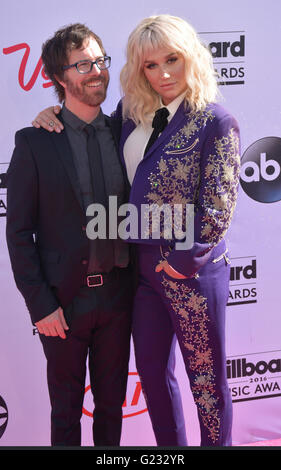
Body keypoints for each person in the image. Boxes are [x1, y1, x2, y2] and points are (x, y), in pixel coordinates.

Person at [32, 15, 240, 447]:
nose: (163, 73)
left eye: (172, 59)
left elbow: (217, 211)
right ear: (138, 69)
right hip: (142, 275)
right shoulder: (131, 111)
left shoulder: (215, 122)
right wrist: (52, 112)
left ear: (192, 58)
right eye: (150, 65)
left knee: (207, 384)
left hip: (193, 274)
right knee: (152, 377)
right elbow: (84, 127)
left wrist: (180, 265)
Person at [6, 23, 134, 447]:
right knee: (64, 414)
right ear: (59, 78)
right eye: (82, 64)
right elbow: (19, 233)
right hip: (62, 305)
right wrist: (40, 305)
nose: (95, 71)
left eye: (99, 60)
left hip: (118, 297)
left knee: (112, 410)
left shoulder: (125, 132)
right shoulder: (35, 142)